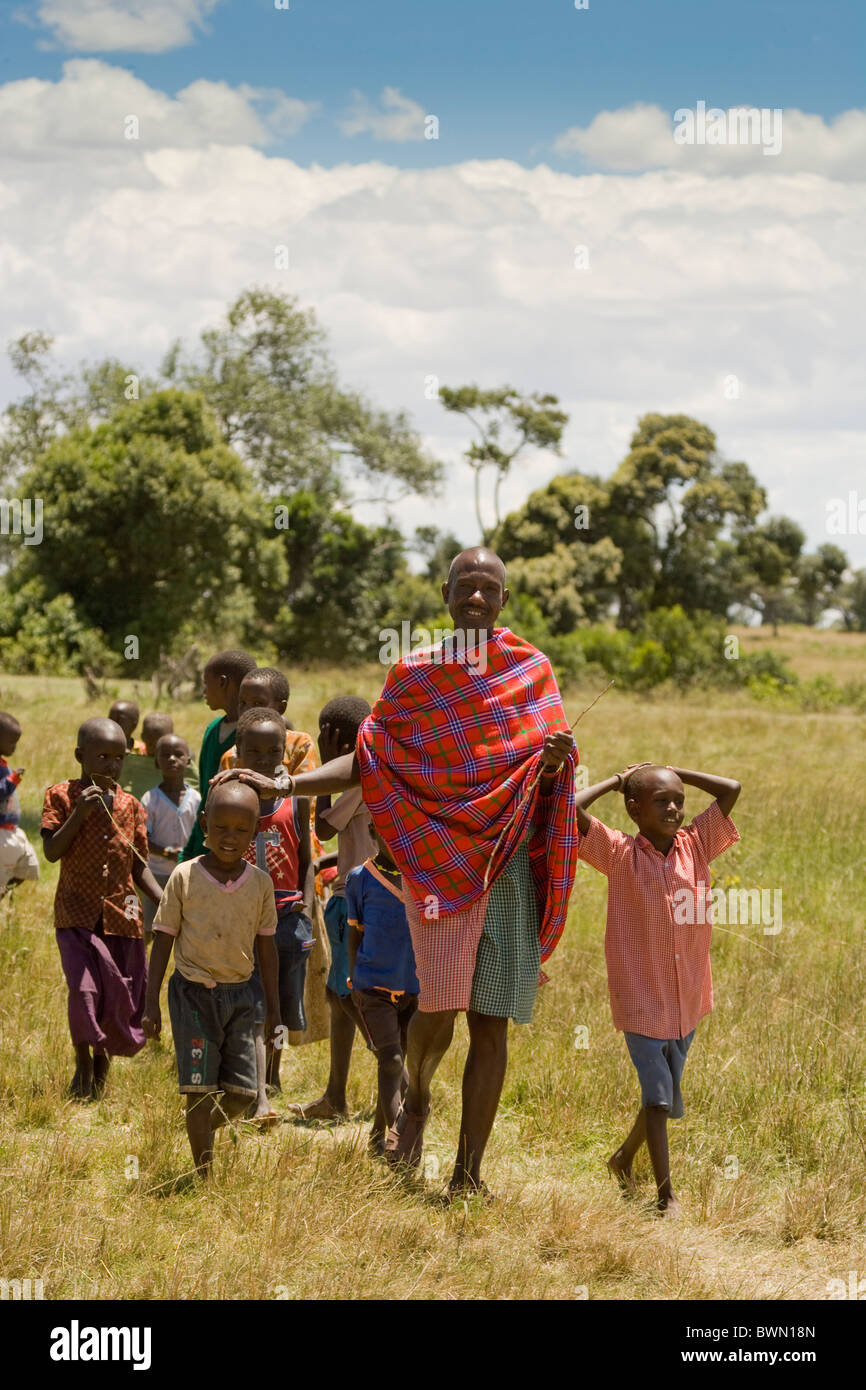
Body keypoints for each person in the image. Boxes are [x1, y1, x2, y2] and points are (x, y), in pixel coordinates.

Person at [219, 548, 578, 1198]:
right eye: (465, 587)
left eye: (488, 588)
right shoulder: (416, 674)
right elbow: (369, 761)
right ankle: (414, 1102)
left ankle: (468, 1172)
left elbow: (540, 776)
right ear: (445, 593)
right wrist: (285, 786)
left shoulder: (531, 670)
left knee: (489, 1022)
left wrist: (553, 763)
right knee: (433, 1017)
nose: (476, 597)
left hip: (504, 872)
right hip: (436, 873)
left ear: (502, 598)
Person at [575, 761, 741, 1216]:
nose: (674, 808)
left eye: (679, 801)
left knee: (662, 1096)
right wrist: (616, 780)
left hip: (687, 995)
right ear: (633, 809)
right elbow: (571, 808)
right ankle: (666, 1195)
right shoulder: (618, 853)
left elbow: (731, 787)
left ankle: (623, 1158)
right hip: (641, 997)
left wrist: (673, 771)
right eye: (661, 800)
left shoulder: (696, 846)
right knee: (659, 1096)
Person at [143, 781, 280, 1176]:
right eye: (221, 827)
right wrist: (151, 1003)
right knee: (200, 1090)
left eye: (241, 830)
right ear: (205, 824)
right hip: (194, 998)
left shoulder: (259, 884)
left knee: (242, 1093)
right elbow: (163, 939)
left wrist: (273, 1011)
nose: (230, 838)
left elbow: (267, 951)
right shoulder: (185, 877)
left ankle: (200, 1128)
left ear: (255, 833)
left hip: (241, 997)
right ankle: (203, 1173)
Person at [41, 718, 163, 1100]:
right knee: (83, 990)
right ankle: (82, 1061)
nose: (111, 765)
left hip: (122, 916)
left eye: (118, 758)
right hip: (75, 914)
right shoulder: (61, 796)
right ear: (81, 756)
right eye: (102, 757)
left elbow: (138, 863)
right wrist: (80, 812)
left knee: (116, 994)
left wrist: (163, 897)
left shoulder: (131, 806)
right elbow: (51, 851)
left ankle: (101, 1065)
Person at [287, 696, 376, 1122]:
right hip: (362, 895)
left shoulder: (360, 779)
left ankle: (392, 1067)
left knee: (352, 999)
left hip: (355, 899)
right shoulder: (377, 772)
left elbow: (323, 826)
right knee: (338, 995)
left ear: (336, 740)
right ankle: (335, 1097)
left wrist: (323, 766)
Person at [233, 707, 314, 1101]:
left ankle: (274, 1074)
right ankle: (249, 1074)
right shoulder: (231, 798)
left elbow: (307, 858)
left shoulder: (294, 800)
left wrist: (306, 904)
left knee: (282, 999)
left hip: (286, 916)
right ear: (238, 751)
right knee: (249, 999)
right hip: (242, 914)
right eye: (255, 752)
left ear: (285, 751)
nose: (264, 760)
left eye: (273, 751)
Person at [346, 829, 419, 1155]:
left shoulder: (424, 877)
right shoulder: (360, 879)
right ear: (374, 832)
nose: (399, 839)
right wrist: (354, 980)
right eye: (391, 831)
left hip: (414, 989)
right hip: (373, 988)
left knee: (402, 1060)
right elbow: (354, 935)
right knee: (390, 1060)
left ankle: (378, 1133)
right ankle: (398, 1147)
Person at [178, 649, 256, 863]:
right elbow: (206, 794)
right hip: (207, 830)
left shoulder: (255, 734)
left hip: (236, 840)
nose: (204, 690)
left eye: (206, 683)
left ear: (222, 682)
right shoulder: (213, 729)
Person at [139, 735, 201, 938]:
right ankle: (145, 969)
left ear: (189, 760)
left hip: (188, 875)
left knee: (187, 929)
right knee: (150, 927)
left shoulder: (196, 799)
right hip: (156, 874)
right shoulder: (150, 799)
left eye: (178, 754)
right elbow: (141, 839)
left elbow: (201, 836)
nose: (172, 759)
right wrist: (166, 852)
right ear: (157, 761)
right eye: (165, 755)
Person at [217, 668, 318, 779]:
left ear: (281, 708)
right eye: (242, 702)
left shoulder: (300, 746)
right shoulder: (231, 757)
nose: (248, 710)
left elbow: (307, 793)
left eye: (257, 703)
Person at [0, 711, 40, 898]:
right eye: (12, 742)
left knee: (29, 865)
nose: (15, 747)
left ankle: (5, 890)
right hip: (2, 832)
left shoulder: (3, 764)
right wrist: (12, 779)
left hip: (11, 830)